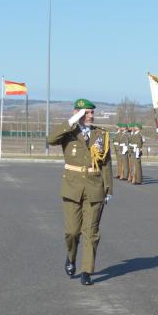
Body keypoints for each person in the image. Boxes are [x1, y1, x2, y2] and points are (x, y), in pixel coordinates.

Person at [47, 99, 113, 286]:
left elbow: (106, 163)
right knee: (72, 232)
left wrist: (108, 189)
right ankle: (71, 257)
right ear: (77, 113)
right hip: (72, 187)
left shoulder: (101, 134)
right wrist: (72, 121)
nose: (91, 116)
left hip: (95, 187)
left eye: (92, 113)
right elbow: (50, 139)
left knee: (91, 232)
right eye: (86, 113)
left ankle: (86, 270)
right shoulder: (69, 132)